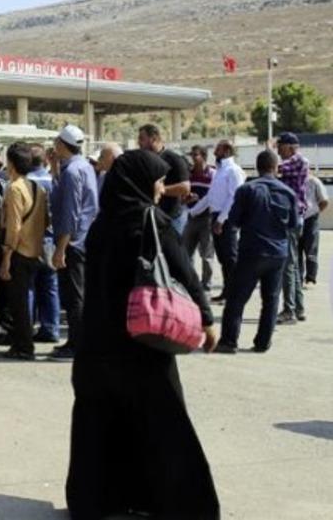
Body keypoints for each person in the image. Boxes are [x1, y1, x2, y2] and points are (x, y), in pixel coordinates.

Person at [66, 149, 219, 520]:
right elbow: (185, 272)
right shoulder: (153, 221)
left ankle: (100, 499)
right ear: (140, 182)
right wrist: (207, 319)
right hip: (143, 341)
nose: (162, 188)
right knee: (163, 421)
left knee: (101, 422)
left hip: (98, 342)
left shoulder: (102, 224)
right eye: (158, 180)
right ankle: (175, 503)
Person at [216, 150, 298, 354]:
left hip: (251, 251)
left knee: (236, 299)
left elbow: (233, 221)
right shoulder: (288, 192)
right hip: (278, 253)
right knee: (271, 300)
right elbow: (294, 224)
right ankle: (263, 343)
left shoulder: (246, 190)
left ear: (257, 166)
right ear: (276, 167)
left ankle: (229, 342)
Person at [49, 125, 99, 360]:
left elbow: (70, 212)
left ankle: (76, 344)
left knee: (74, 295)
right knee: (78, 293)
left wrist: (61, 248)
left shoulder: (71, 172)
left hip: (73, 242)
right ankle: (78, 341)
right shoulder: (83, 166)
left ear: (62, 144)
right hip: (84, 239)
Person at [0, 142, 49, 361]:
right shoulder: (38, 188)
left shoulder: (14, 189)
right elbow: (46, 220)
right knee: (24, 300)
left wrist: (6, 257)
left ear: (11, 163)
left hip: (18, 252)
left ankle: (23, 346)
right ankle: (23, 342)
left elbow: (14, 226)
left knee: (18, 302)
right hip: (35, 250)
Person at [191, 140, 245, 302]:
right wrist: (192, 212)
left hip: (226, 219)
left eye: (218, 150)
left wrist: (221, 220)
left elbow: (234, 197)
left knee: (230, 258)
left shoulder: (233, 171)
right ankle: (227, 292)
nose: (214, 153)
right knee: (223, 258)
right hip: (216, 217)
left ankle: (235, 293)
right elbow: (210, 197)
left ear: (227, 151)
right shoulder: (220, 171)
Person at [27, 144, 61, 345]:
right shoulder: (53, 181)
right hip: (51, 239)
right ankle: (51, 327)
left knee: (28, 286)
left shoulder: (24, 183)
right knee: (50, 286)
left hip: (30, 241)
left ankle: (27, 327)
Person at [276, 132, 309, 323]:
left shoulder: (298, 160)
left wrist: (268, 157)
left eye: (281, 146)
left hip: (291, 218)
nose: (278, 150)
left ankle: (289, 310)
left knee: (287, 265)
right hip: (291, 218)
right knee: (293, 265)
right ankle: (298, 308)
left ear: (290, 147)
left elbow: (277, 167)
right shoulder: (295, 162)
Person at [137, 124, 190, 235]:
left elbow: (185, 188)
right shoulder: (143, 160)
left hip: (171, 220)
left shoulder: (174, 159)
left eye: (142, 139)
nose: (139, 143)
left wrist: (161, 189)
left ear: (154, 139)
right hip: (150, 219)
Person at [182, 145, 216, 291]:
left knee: (206, 254)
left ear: (203, 156)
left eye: (195, 155)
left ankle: (206, 284)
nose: (193, 158)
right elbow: (182, 196)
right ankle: (190, 281)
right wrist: (186, 199)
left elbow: (213, 196)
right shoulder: (188, 174)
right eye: (192, 155)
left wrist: (199, 199)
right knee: (186, 251)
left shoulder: (212, 173)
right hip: (190, 217)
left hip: (206, 218)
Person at [301, 167, 328, 285]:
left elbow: (324, 200)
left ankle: (311, 277)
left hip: (311, 219)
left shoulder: (314, 182)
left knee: (311, 249)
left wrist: (315, 212)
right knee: (296, 250)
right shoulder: (293, 182)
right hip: (297, 219)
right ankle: (298, 277)